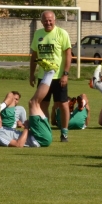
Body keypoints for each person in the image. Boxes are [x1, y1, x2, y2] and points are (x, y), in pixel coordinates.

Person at [29, 10, 72, 142]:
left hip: (59, 77)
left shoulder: (62, 33)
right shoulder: (38, 34)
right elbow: (34, 56)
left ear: (54, 20)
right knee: (42, 105)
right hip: (43, 77)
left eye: (50, 20)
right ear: (41, 21)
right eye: (45, 20)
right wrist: (31, 74)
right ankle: (46, 131)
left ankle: (64, 133)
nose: (48, 22)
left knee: (63, 105)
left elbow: (68, 55)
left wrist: (65, 73)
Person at [0, 68, 56, 147]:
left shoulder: (3, 128)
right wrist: (26, 128)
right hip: (39, 139)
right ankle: (50, 72)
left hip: (37, 134)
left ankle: (49, 72)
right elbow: (18, 144)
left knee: (34, 103)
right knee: (33, 103)